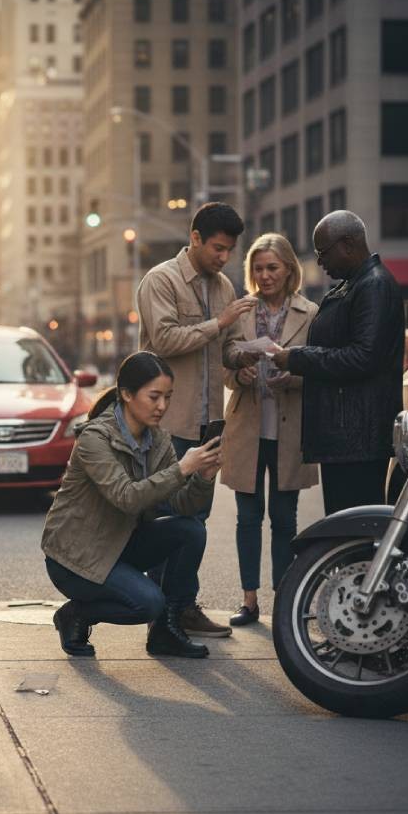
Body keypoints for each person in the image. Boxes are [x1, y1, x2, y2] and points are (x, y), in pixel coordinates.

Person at [41, 351, 222, 659]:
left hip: (119, 545)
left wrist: (203, 477)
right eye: (154, 397)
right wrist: (181, 469)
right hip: (75, 559)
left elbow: (182, 505)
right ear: (126, 394)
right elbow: (126, 498)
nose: (162, 406)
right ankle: (77, 614)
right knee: (147, 602)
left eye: (168, 397)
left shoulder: (158, 441)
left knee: (191, 530)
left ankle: (166, 631)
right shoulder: (94, 440)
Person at [136, 201, 254, 638]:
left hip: (210, 423)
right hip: (167, 424)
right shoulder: (161, 281)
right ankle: (162, 611)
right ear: (196, 238)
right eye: (218, 248)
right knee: (165, 521)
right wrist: (218, 322)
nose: (224, 258)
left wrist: (242, 359)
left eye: (230, 251)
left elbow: (225, 349)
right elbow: (164, 340)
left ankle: (182, 607)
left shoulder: (224, 286)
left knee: (196, 522)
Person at [271, 210, 405, 515]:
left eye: (323, 252)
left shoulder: (373, 285)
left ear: (347, 244)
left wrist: (296, 358)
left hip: (358, 436)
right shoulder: (356, 284)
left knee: (354, 524)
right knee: (343, 522)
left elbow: (364, 357)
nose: (320, 262)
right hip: (347, 435)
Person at [220, 233, 319, 626]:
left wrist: (292, 377)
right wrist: (240, 373)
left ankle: (283, 598)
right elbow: (225, 360)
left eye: (272, 267)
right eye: (258, 268)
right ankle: (249, 601)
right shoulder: (240, 310)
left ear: (289, 269)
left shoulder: (309, 313)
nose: (265, 275)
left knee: (285, 520)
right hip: (247, 429)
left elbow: (318, 369)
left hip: (289, 431)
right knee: (247, 519)